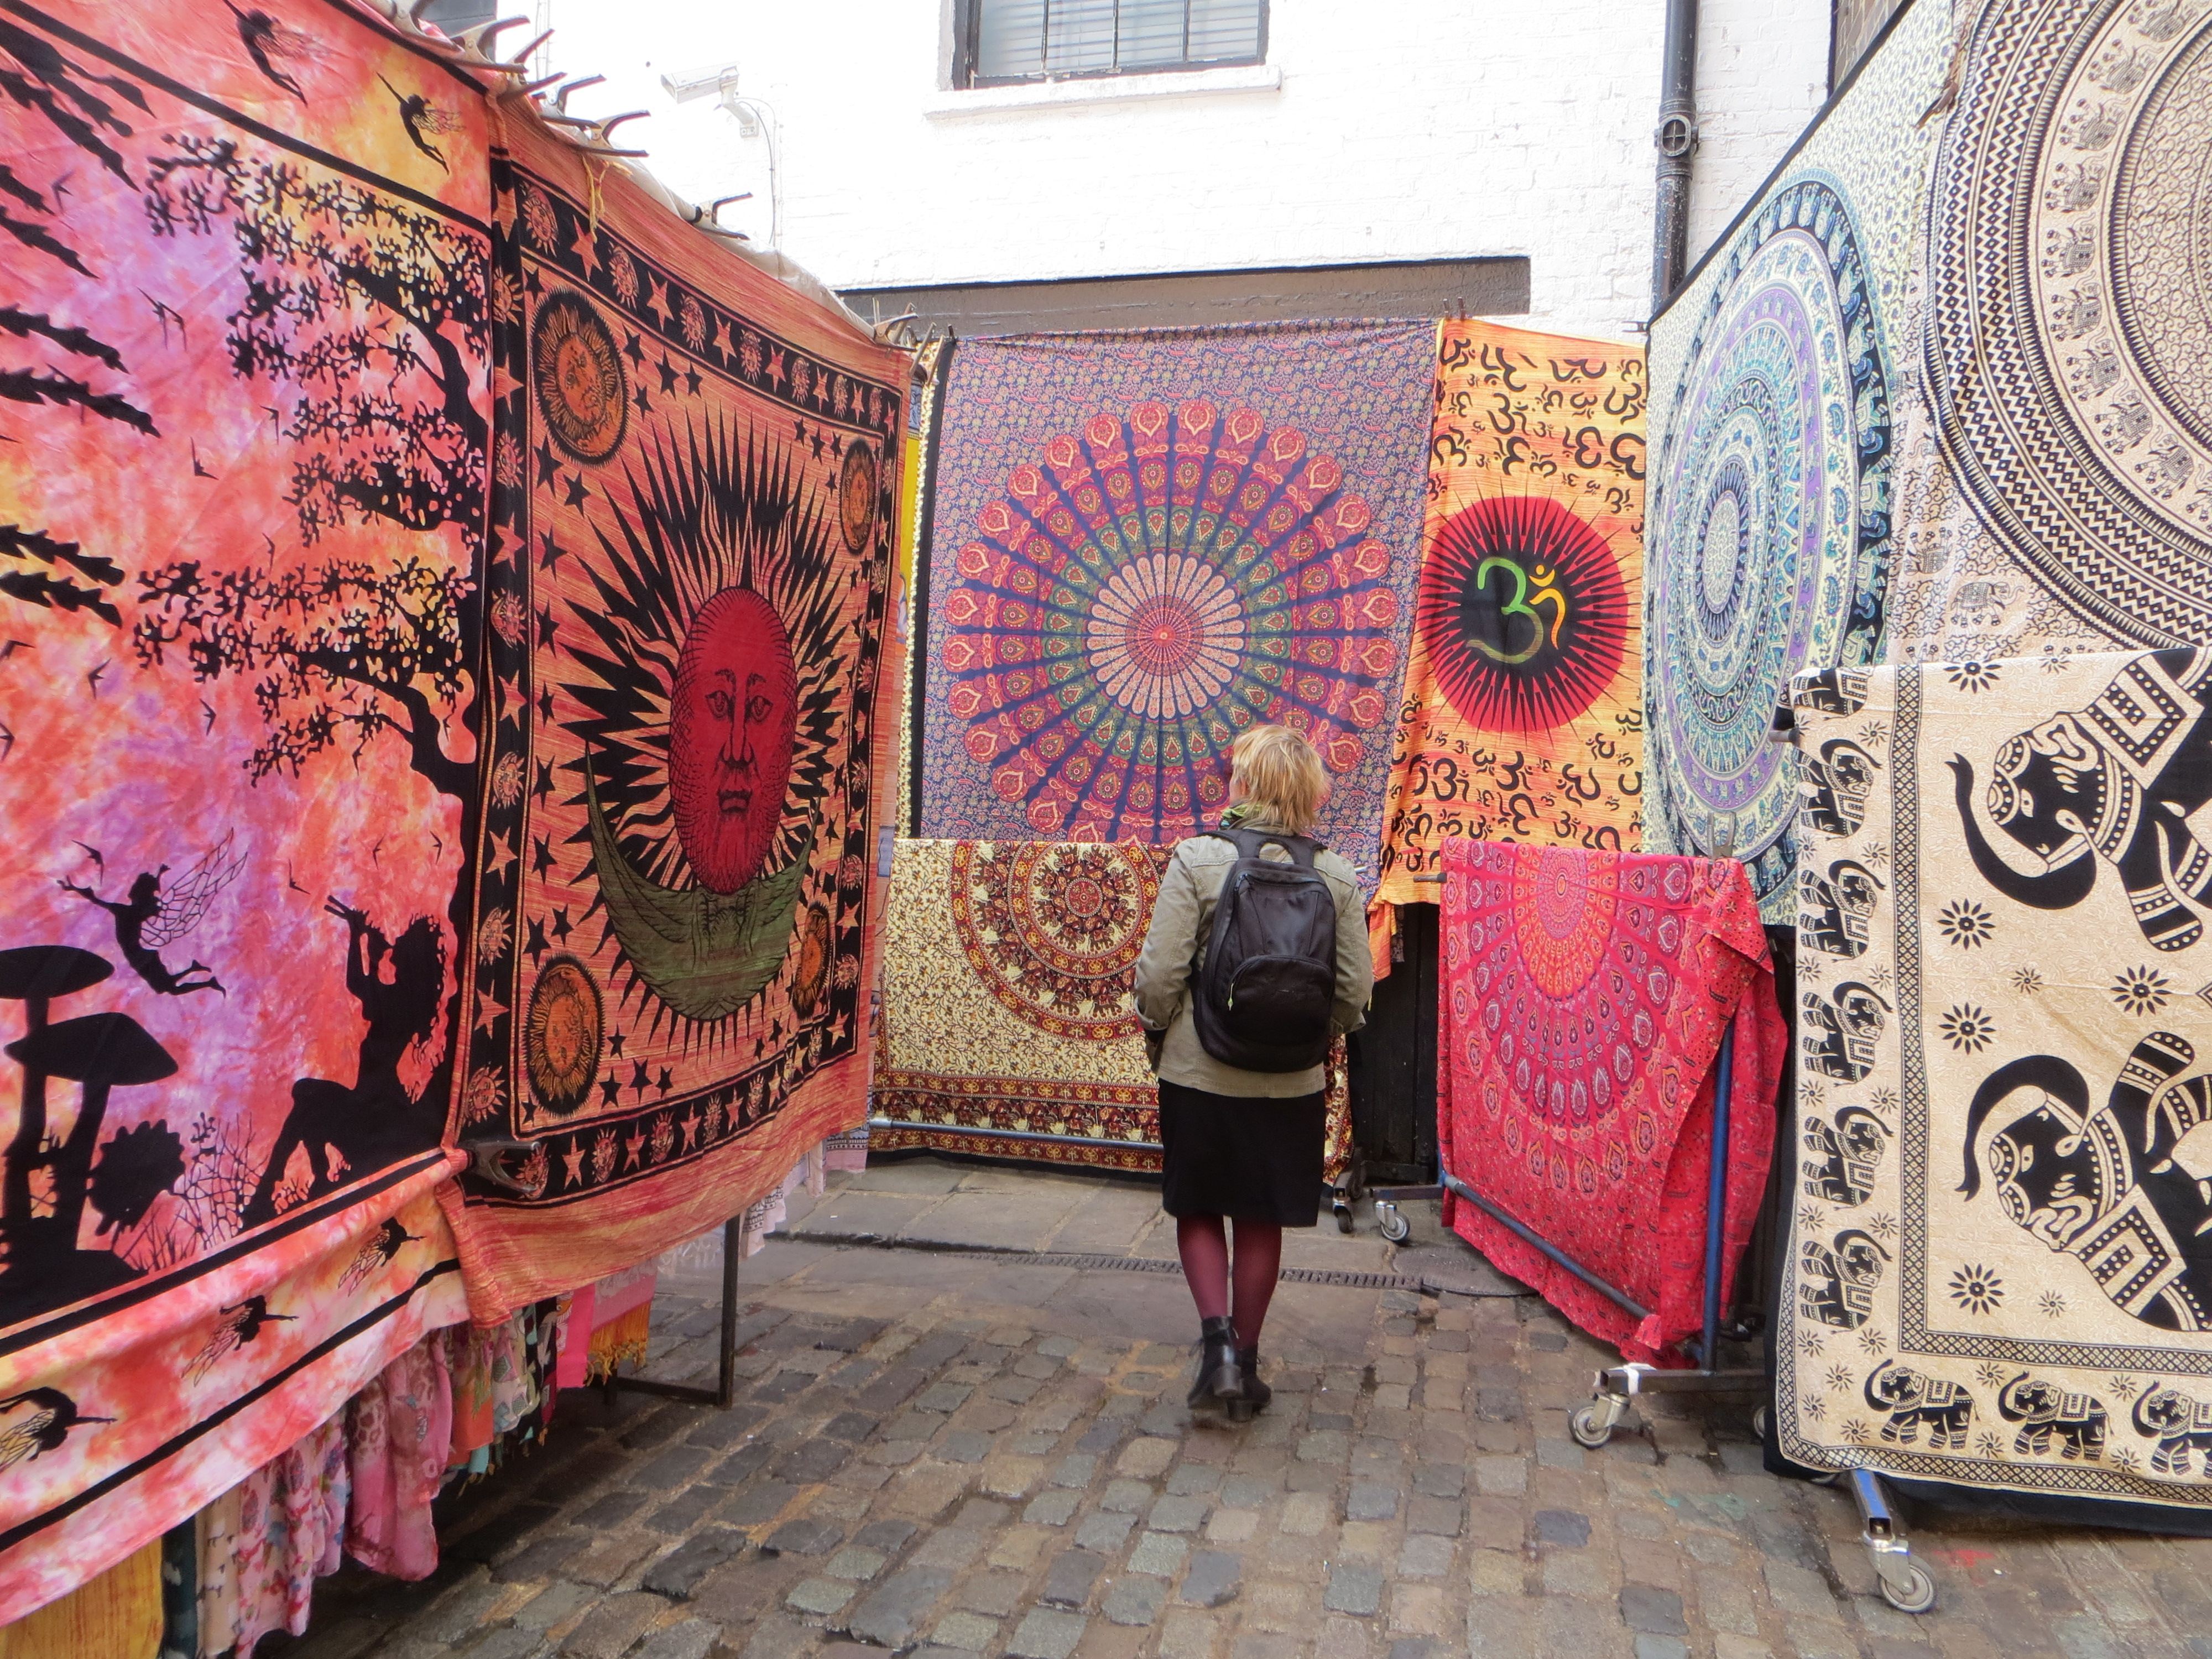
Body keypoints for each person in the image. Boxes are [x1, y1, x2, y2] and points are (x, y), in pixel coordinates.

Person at [1134, 724, 1373, 1416]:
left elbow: (1159, 977)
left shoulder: (1198, 859)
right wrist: (1304, 1037)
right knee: (1260, 1216)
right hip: (1290, 1081)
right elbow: (1354, 994)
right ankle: (1247, 1358)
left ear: (1245, 784)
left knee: (1200, 1205)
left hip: (1199, 1071)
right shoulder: (1336, 875)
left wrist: (1163, 1032)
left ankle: (1217, 1355)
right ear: (1306, 794)